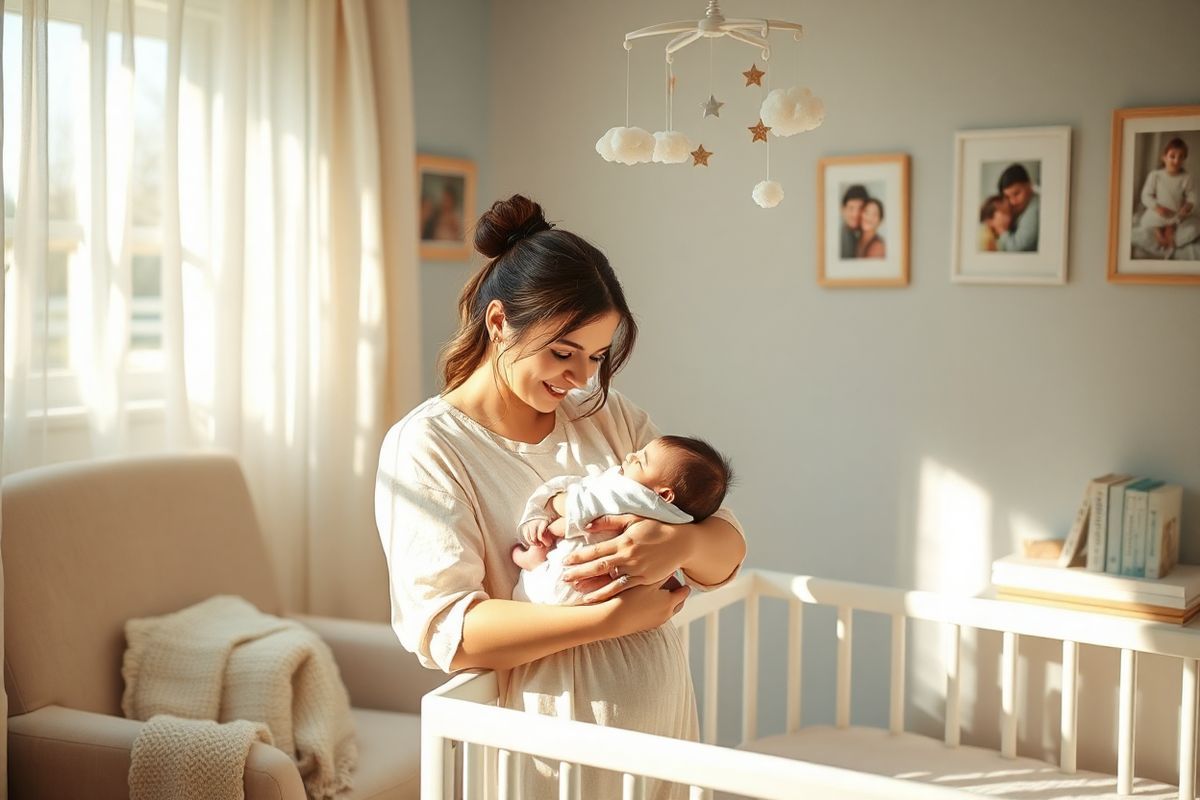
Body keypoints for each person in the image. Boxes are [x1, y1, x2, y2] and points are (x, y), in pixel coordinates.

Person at [375, 194, 746, 799]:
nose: (579, 377)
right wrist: (613, 618)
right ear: (499, 323)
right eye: (562, 352)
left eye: (597, 357)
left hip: (663, 733)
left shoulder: (605, 416)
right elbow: (451, 630)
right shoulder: (426, 448)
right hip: (551, 749)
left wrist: (678, 541)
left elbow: (726, 553)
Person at [512, 435, 734, 606]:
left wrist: (555, 523)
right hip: (613, 593)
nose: (630, 455)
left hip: (568, 580)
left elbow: (585, 505)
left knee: (555, 569)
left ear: (664, 494)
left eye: (640, 461)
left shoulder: (631, 492)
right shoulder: (683, 516)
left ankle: (537, 564)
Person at [1138, 137, 1197, 257]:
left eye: (1181, 157)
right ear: (1164, 157)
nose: (1176, 160)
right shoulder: (1156, 175)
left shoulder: (1186, 177)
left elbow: (1192, 196)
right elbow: (1146, 195)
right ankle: (1158, 232)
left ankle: (1171, 231)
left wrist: (1188, 205)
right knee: (1151, 222)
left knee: (1191, 226)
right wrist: (1157, 207)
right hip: (1159, 212)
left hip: (1175, 213)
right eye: (1172, 156)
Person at [996, 164, 1040, 252]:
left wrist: (1001, 230)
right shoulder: (1020, 207)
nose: (1013, 201)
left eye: (1016, 194)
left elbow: (1017, 248)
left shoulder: (1035, 210)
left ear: (1029, 185)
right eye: (1008, 197)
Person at [839, 184, 869, 259]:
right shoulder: (842, 240)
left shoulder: (860, 237)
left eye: (860, 208)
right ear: (843, 209)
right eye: (851, 208)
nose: (856, 214)